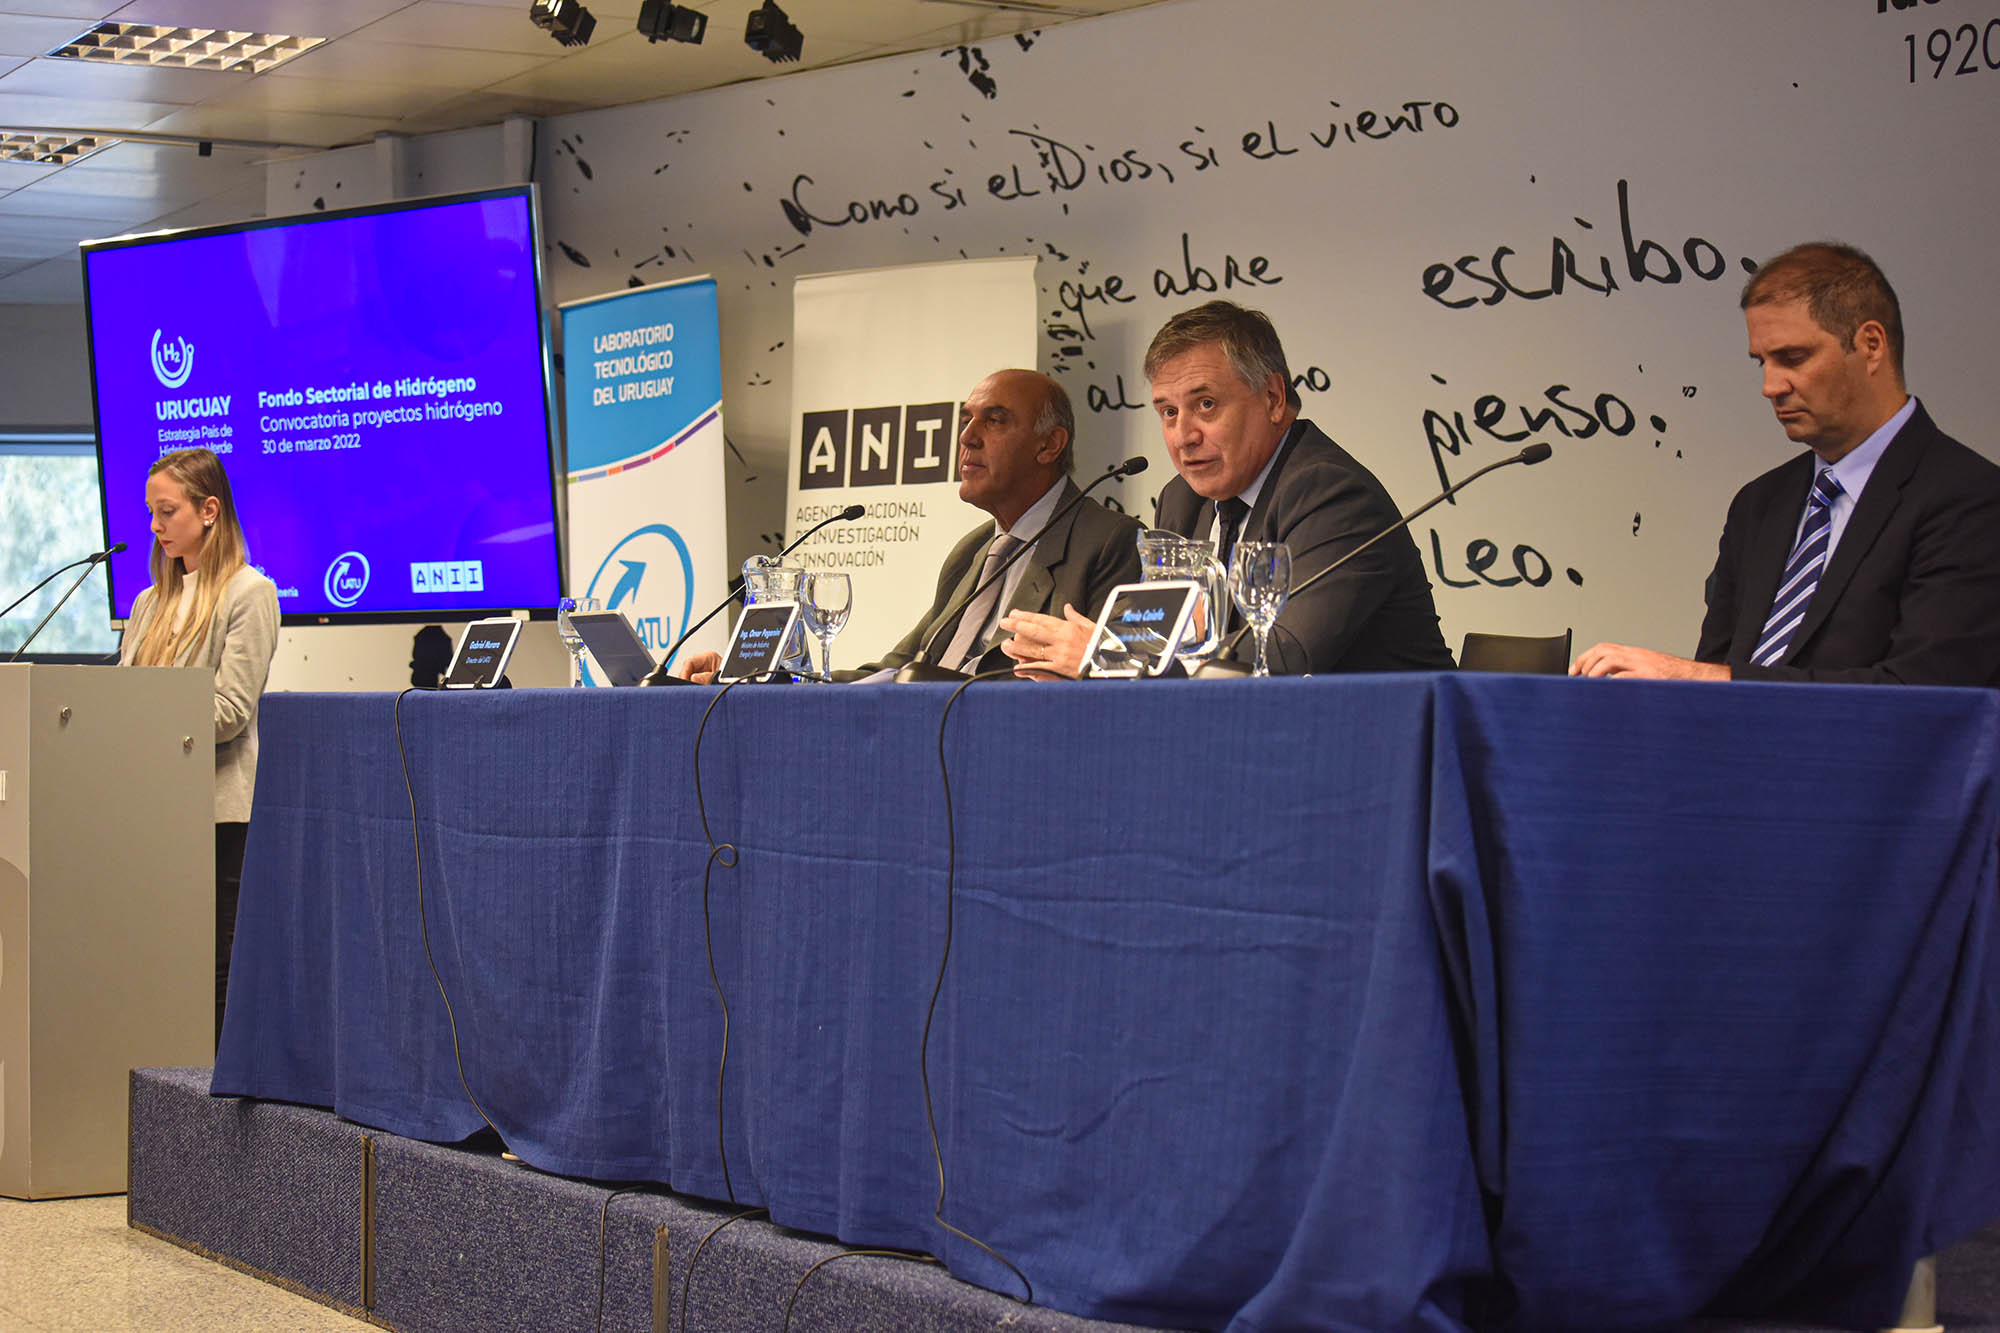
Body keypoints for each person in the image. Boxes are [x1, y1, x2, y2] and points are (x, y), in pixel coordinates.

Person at [1571, 242, 2000, 685]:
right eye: (1762, 362)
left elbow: (1927, 693)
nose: (1770, 386)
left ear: (1871, 345)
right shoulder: (1759, 503)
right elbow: (1716, 670)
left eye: (1793, 358)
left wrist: (1694, 677)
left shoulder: (1970, 500)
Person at [1002, 301, 1454, 677]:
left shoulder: (1332, 495)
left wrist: (1105, 657)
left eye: (1205, 404)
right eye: (1168, 412)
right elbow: (1164, 638)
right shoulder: (1184, 499)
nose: (1183, 436)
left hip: (1384, 752)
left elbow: (1280, 660)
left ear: (1274, 399)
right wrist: (1087, 667)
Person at [680, 368, 1141, 681]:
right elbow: (899, 667)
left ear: (1049, 445)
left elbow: (1102, 689)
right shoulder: (973, 551)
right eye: (966, 421)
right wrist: (768, 679)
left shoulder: (1109, 542)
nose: (966, 437)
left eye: (994, 421)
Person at [120, 447, 280, 1045]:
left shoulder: (250, 593)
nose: (154, 527)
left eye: (167, 512)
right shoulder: (147, 603)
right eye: (150, 513)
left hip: (217, 814)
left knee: (213, 969)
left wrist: (141, 723)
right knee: (154, 962)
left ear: (210, 510)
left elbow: (231, 712)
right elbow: (120, 703)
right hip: (152, 810)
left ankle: (213, 1117)